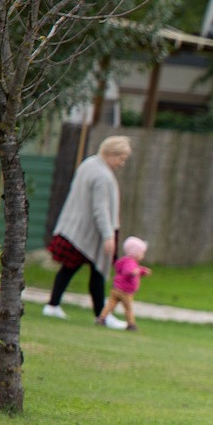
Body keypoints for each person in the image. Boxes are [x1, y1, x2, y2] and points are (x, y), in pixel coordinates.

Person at [42, 135, 130, 328]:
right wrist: (108, 235)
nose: (121, 163)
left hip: (75, 228)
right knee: (97, 270)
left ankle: (53, 304)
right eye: (121, 158)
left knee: (69, 267)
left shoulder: (88, 164)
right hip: (90, 232)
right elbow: (101, 209)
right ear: (111, 154)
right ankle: (102, 315)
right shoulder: (102, 176)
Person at [97, 236, 152, 331]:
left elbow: (134, 271)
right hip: (125, 291)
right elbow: (129, 271)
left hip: (116, 288)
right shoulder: (130, 262)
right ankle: (131, 324)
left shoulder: (125, 261)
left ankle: (102, 318)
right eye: (142, 253)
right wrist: (134, 272)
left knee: (110, 305)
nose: (143, 255)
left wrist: (142, 271)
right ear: (135, 253)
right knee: (128, 308)